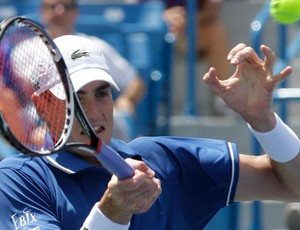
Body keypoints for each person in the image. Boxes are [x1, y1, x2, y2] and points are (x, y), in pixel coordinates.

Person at [0, 35, 300, 229]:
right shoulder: (17, 181)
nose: (92, 112)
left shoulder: (165, 158)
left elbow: (292, 185)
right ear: (43, 106)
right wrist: (112, 211)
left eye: (102, 94)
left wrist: (264, 121)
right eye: (77, 98)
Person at [40, 0, 145, 141]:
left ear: (76, 12)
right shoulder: (24, 50)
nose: (60, 12)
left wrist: (127, 100)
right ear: (42, 12)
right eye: (53, 7)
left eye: (67, 6)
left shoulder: (95, 46)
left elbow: (135, 81)